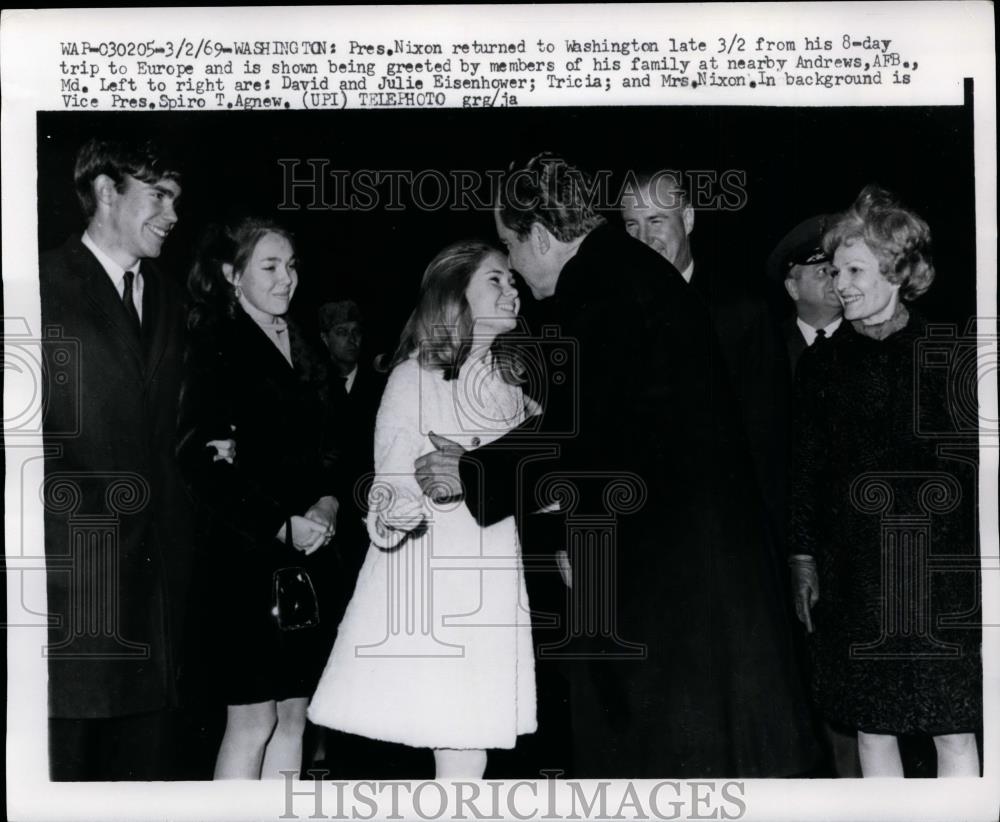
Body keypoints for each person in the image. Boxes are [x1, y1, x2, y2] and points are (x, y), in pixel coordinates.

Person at [417, 154, 819, 778]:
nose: (514, 264)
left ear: (543, 235)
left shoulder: (601, 287)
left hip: (669, 569)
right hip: (692, 559)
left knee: (664, 748)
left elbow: (581, 429)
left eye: (509, 244)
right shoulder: (629, 274)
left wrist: (471, 473)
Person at [308, 240, 537, 779]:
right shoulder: (414, 378)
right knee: (457, 745)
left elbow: (539, 482)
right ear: (455, 297)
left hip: (494, 580)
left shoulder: (512, 386)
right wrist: (398, 512)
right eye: (496, 281)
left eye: (513, 281)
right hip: (438, 589)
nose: (512, 290)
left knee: (470, 748)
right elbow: (387, 487)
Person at [788, 185, 981, 777]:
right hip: (856, 579)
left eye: (853, 269)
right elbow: (806, 468)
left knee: (953, 726)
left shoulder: (947, 354)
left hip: (939, 577)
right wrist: (803, 555)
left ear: (897, 270)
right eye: (833, 269)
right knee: (872, 728)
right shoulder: (822, 364)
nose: (839, 283)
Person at [40, 136, 194, 781]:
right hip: (72, 586)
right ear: (107, 191)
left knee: (145, 775)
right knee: (68, 774)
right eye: (158, 196)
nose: (173, 215)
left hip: (155, 596)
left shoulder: (165, 294)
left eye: (177, 200)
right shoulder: (39, 285)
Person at [176, 218, 342, 779]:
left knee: (295, 716)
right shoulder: (213, 343)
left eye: (291, 265)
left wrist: (327, 503)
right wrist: (276, 523)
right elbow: (198, 457)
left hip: (309, 555)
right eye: (269, 266)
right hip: (246, 557)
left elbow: (335, 448)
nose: (286, 278)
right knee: (252, 721)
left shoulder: (306, 346)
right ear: (232, 275)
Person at [620, 170, 790, 569]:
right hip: (638, 553)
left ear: (689, 219)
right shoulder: (608, 320)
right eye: (631, 225)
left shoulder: (742, 316)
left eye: (656, 221)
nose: (643, 239)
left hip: (726, 552)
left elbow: (771, 448)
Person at [766, 214, 848, 374]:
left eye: (836, 269)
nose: (835, 277)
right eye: (822, 271)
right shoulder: (769, 346)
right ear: (793, 287)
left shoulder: (871, 337)